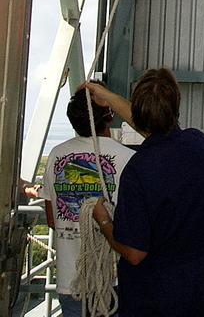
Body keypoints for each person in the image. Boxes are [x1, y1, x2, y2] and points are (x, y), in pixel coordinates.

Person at [85, 68, 204, 317]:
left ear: (138, 114)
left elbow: (134, 253)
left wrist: (103, 220)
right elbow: (156, 128)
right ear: (176, 106)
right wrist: (108, 96)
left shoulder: (137, 170)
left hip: (151, 298)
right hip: (196, 290)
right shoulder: (200, 146)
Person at [41, 87, 134, 317]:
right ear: (109, 116)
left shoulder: (55, 155)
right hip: (114, 280)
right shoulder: (129, 159)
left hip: (69, 279)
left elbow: (52, 219)